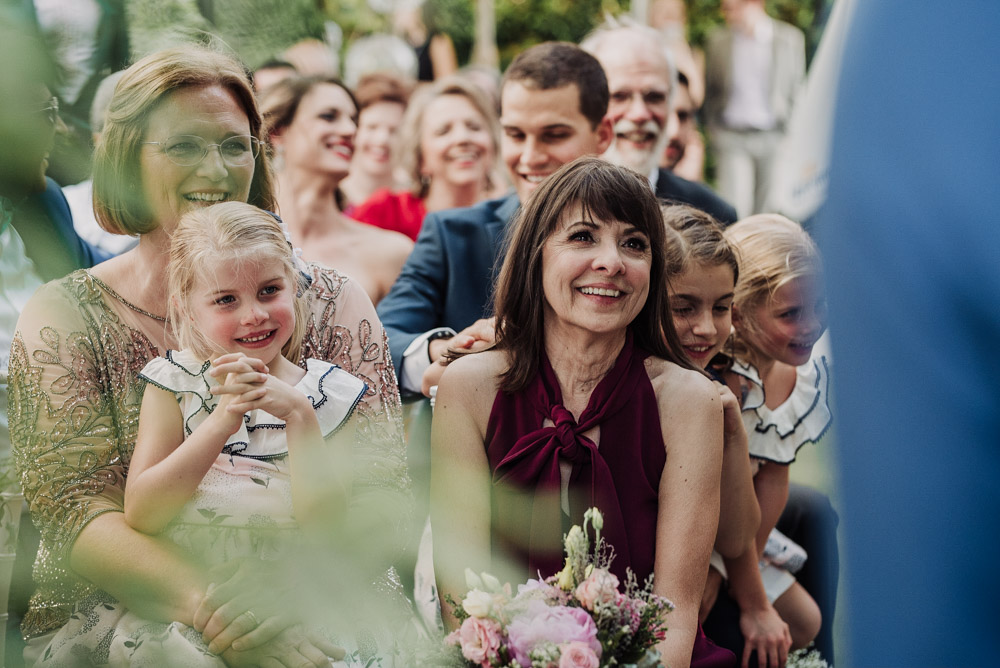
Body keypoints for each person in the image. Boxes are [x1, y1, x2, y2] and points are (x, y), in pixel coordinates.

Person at [8, 45, 409, 667]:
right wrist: (219, 609)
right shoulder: (66, 317)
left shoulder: (329, 302)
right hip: (134, 604)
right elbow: (74, 508)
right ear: (125, 161)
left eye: (232, 145)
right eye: (183, 146)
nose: (216, 169)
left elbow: (380, 485)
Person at [431, 157, 734, 668]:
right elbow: (460, 604)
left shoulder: (689, 401)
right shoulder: (470, 387)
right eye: (583, 237)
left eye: (634, 243)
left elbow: (676, 613)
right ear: (536, 256)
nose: (612, 262)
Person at [376, 41, 613, 400]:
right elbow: (377, 340)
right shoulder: (452, 236)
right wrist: (448, 348)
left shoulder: (643, 244)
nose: (530, 157)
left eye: (554, 135)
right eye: (516, 135)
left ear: (603, 135)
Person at [699, 214, 829, 667]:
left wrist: (740, 570)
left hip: (746, 532)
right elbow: (710, 495)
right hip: (700, 527)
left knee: (806, 622)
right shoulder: (723, 382)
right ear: (739, 311)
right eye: (790, 314)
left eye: (817, 307)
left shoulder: (792, 373)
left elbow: (773, 478)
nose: (810, 326)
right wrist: (725, 576)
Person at [261, 75, 413, 305]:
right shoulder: (234, 237)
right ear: (278, 133)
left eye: (354, 120)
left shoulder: (391, 252)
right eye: (329, 116)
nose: (350, 130)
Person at [580, 18, 737, 225]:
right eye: (619, 96)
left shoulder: (712, 215)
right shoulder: (547, 204)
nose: (639, 114)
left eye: (654, 97)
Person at [352, 76, 499, 242]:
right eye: (443, 131)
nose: (462, 138)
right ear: (420, 156)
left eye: (474, 127)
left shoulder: (509, 221)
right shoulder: (382, 216)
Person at [704, 0, 805, 218]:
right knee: (734, 206)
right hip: (732, 135)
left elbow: (797, 89)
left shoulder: (789, 39)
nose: (727, 14)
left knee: (767, 209)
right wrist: (714, 130)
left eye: (733, 8)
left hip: (773, 134)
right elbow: (711, 89)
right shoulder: (718, 41)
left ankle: (760, 253)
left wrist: (791, 131)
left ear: (755, 3)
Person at [340, 72, 414, 211]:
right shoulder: (333, 196)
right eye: (372, 127)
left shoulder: (413, 198)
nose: (382, 140)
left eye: (394, 131)